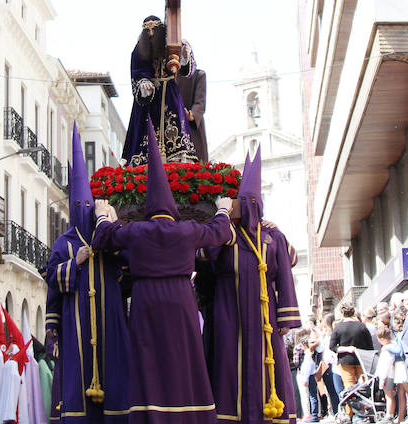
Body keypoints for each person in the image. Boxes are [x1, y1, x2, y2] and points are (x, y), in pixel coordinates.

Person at [93, 120, 234, 424]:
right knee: (184, 356)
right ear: (172, 206)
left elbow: (103, 238)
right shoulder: (186, 230)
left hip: (145, 300)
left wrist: (104, 216)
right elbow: (219, 231)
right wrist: (223, 207)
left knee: (147, 358)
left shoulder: (136, 231)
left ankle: (148, 415)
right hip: (181, 299)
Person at [205, 148, 302, 423]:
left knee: (268, 366)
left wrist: (286, 316)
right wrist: (221, 219)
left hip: (265, 317)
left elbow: (286, 272)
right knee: (228, 365)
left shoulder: (273, 236)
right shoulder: (227, 235)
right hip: (229, 314)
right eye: (243, 201)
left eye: (253, 201)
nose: (248, 206)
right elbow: (205, 254)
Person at [46, 122, 130, 423]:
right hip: (74, 321)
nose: (83, 209)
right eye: (78, 205)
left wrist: (112, 222)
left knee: (115, 368)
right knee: (78, 375)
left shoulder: (105, 233)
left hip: (110, 317)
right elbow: (52, 282)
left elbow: (127, 263)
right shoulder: (64, 243)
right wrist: (74, 263)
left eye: (87, 204)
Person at [121, 16, 198, 166]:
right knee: (145, 131)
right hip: (149, 99)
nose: (150, 34)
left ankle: (177, 163)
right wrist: (143, 84)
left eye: (153, 30)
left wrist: (184, 57)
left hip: (170, 96)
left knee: (175, 131)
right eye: (147, 31)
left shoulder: (172, 45)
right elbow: (136, 73)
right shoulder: (138, 50)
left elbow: (187, 71)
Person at [329, 301, 373, 399]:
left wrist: (346, 349)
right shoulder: (361, 326)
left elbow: (332, 347)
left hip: (345, 361)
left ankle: (350, 412)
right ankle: (365, 409)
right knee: (363, 386)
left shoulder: (338, 327)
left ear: (342, 313)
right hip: (361, 360)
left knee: (349, 387)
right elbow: (370, 346)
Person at [175, 40, 208, 162]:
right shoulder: (168, 77)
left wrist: (192, 115)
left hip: (191, 126)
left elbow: (200, 102)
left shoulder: (199, 75)